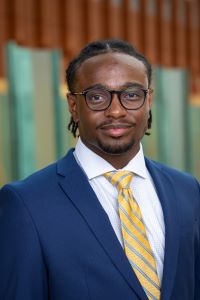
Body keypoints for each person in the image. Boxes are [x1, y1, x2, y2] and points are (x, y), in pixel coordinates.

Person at [0, 39, 199, 300]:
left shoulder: (188, 190)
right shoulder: (26, 204)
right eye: (96, 97)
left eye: (131, 95)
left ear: (148, 99)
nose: (115, 111)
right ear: (73, 106)